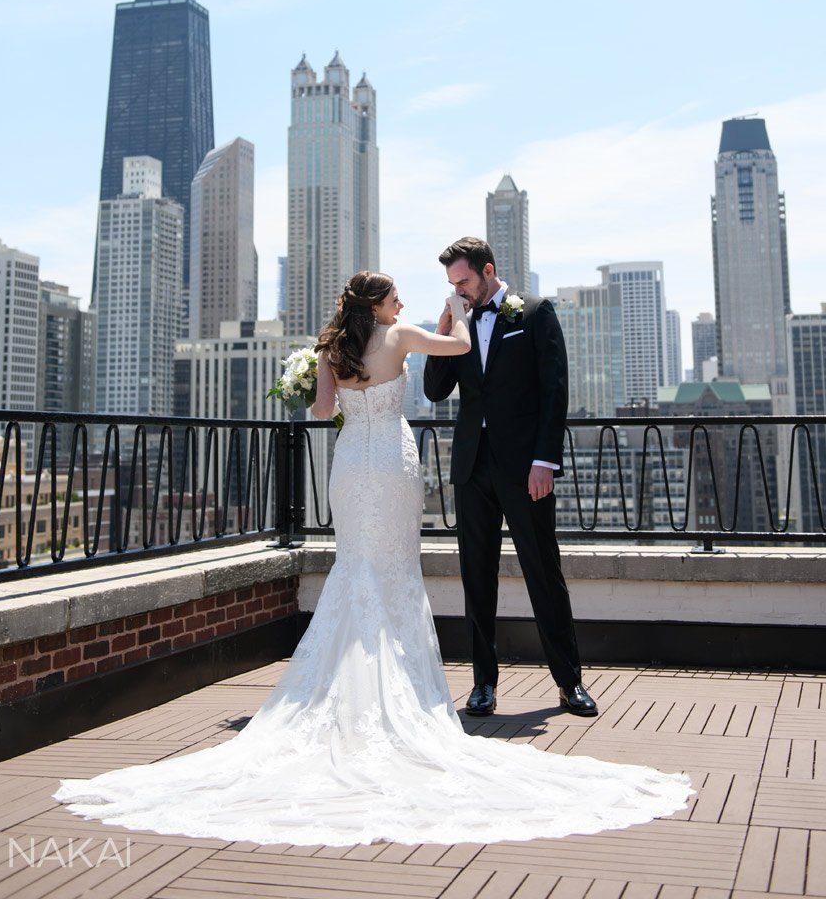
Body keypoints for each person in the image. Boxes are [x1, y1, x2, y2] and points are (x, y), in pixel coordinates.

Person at [53, 270, 692, 846]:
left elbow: (322, 410)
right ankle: (419, 692)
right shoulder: (405, 335)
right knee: (394, 570)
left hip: (350, 462)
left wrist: (318, 375)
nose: (402, 302)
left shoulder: (334, 350)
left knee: (355, 566)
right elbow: (462, 353)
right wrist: (454, 315)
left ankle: (348, 685)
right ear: (381, 305)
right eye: (395, 296)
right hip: (391, 460)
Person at [424, 237, 594, 719]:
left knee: (543, 571)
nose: (459, 290)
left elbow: (553, 390)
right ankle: (483, 684)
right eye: (452, 284)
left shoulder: (535, 313)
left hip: (524, 468)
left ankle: (569, 681)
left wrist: (546, 461)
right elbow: (436, 392)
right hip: (471, 466)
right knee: (476, 578)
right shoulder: (458, 323)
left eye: (464, 281)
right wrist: (443, 328)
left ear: (488, 270)